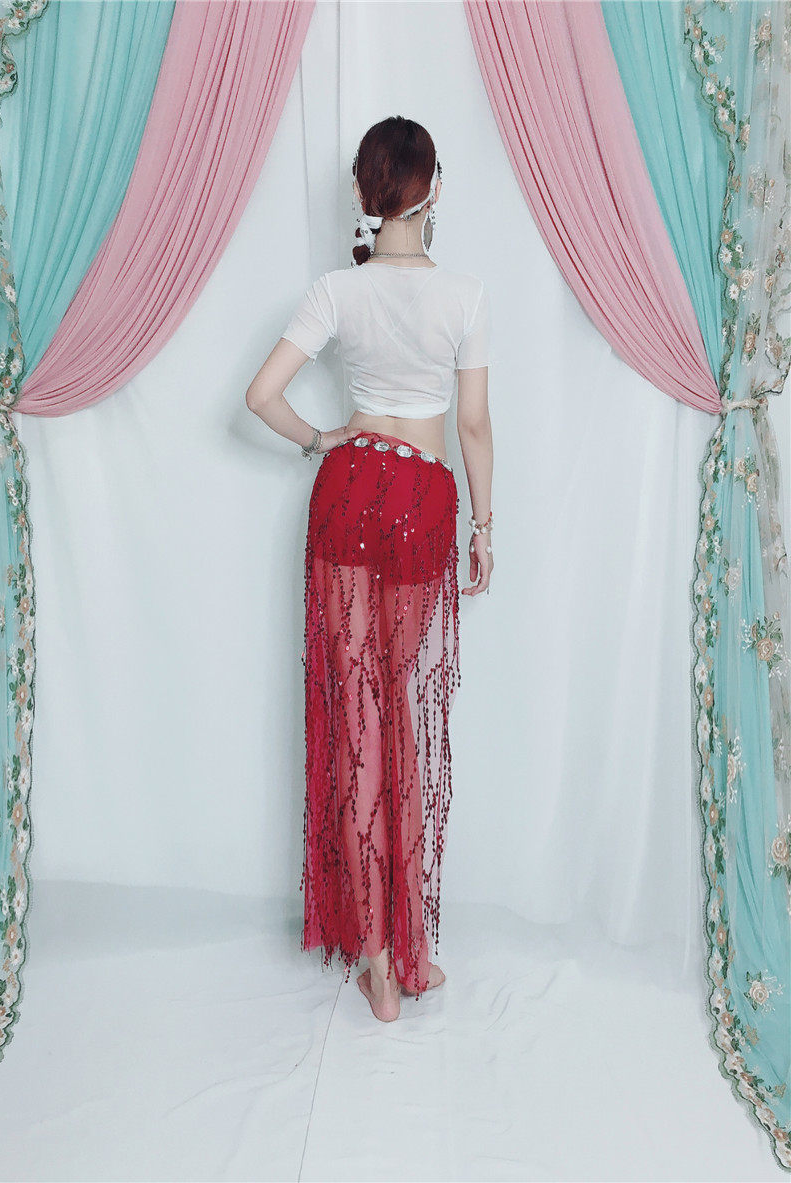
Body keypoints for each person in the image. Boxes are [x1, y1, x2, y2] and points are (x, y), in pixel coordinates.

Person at [245, 116, 493, 1023]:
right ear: (434, 190)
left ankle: (378, 963)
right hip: (423, 499)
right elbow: (472, 426)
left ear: (363, 192)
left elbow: (261, 395)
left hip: (349, 493)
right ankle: (408, 948)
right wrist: (487, 527)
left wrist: (321, 437)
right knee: (398, 707)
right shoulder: (464, 294)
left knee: (358, 718)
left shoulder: (336, 291)